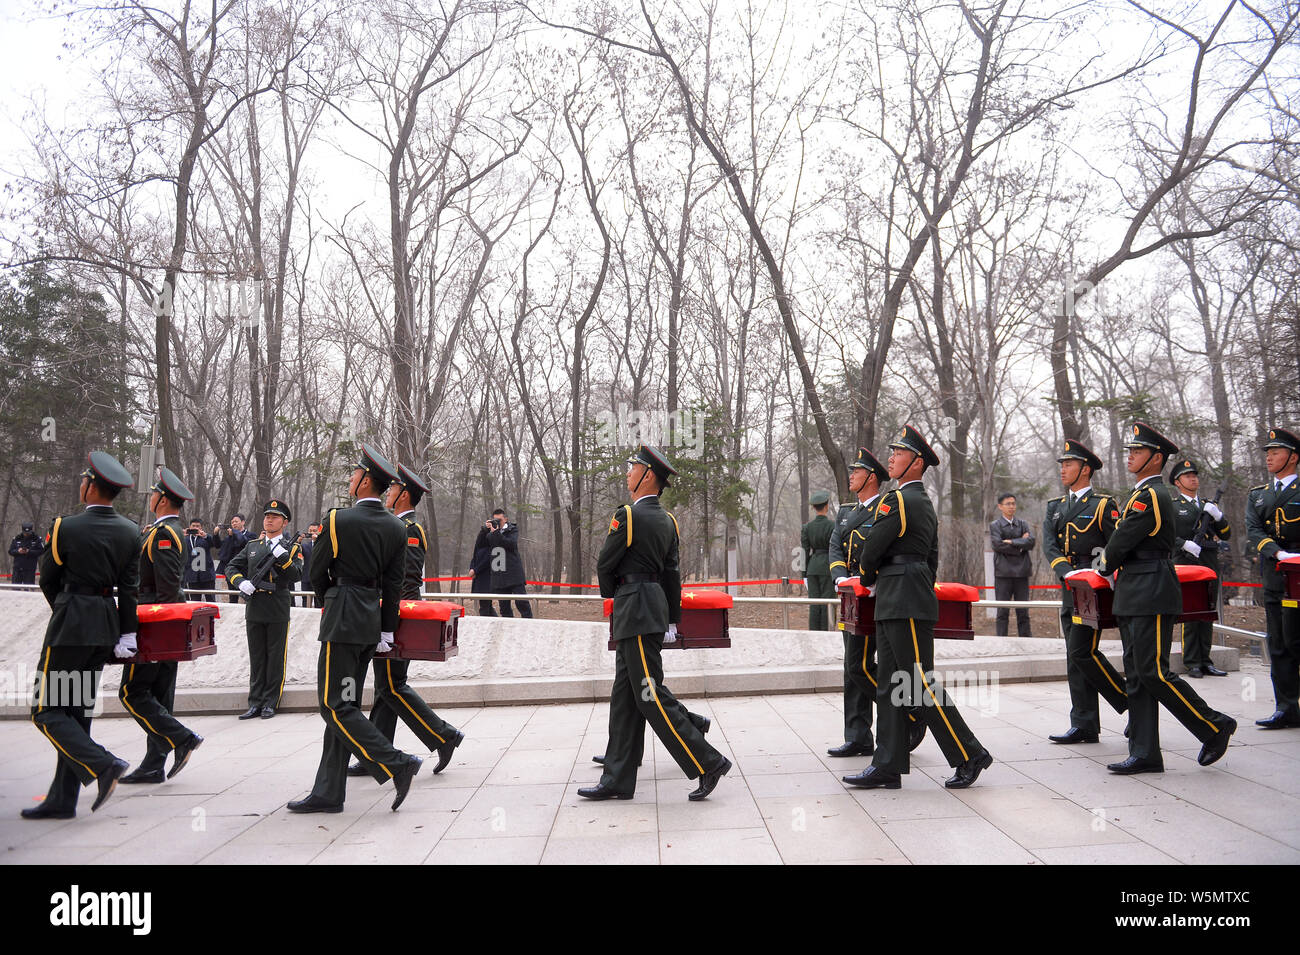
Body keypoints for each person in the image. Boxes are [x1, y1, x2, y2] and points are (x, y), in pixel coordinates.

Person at [842, 425, 993, 791]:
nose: (891, 457)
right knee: (894, 686)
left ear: (917, 462)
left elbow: (872, 548)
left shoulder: (898, 500)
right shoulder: (921, 503)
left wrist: (867, 575)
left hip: (901, 597)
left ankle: (970, 753)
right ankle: (888, 764)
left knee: (917, 682)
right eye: (892, 452)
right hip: (902, 596)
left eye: (898, 453)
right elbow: (932, 557)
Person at [578, 445, 731, 802]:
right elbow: (673, 575)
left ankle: (708, 761)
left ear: (648, 475)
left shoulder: (628, 516)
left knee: (650, 696)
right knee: (626, 696)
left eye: (632, 467)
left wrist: (614, 593)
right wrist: (673, 618)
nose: (628, 472)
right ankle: (617, 776)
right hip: (653, 611)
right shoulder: (669, 520)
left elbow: (605, 563)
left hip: (634, 610)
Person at [1092, 422, 1236, 774]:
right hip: (1136, 591)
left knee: (1154, 672)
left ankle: (1214, 725)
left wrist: (1104, 564)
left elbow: (1123, 539)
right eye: (1130, 451)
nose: (1130, 456)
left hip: (1151, 591)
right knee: (1139, 675)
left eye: (1137, 451)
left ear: (1156, 458)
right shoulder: (1143, 493)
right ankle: (1144, 751)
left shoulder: (1151, 495)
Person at [287, 444, 423, 813]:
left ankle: (397, 762)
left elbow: (317, 572)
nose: (350, 479)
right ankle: (329, 791)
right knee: (346, 705)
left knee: (334, 706)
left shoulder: (337, 520)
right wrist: (387, 630)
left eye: (354, 474)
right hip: (370, 625)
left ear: (366, 481)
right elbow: (394, 585)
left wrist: (328, 600)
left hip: (342, 620)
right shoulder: (397, 527)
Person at [22, 452, 137, 819]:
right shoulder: (131, 531)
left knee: (46, 710)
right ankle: (62, 798)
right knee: (77, 712)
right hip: (106, 625)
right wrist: (126, 633)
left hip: (72, 624)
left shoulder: (65, 527)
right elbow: (129, 590)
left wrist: (68, 610)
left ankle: (104, 763)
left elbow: (48, 580)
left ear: (90, 486)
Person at [347, 464, 463, 778]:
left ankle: (444, 735)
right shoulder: (397, 524)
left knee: (391, 686)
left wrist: (391, 618)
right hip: (392, 614)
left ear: (404, 495)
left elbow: (407, 581)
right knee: (387, 688)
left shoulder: (409, 528)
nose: (388, 493)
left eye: (393, 489)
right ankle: (377, 754)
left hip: (398, 617)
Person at [825, 448, 927, 759]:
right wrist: (841, 578)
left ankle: (907, 714)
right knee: (851, 666)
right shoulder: (845, 512)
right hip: (850, 596)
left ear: (871, 476)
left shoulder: (887, 506)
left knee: (862, 666)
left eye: (856, 472)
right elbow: (835, 548)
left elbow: (883, 550)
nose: (850, 476)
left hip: (876, 594)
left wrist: (866, 581)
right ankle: (857, 735)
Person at [117, 467, 205, 785]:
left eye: (154, 493)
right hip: (164, 622)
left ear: (163, 499)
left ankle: (182, 738)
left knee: (132, 691)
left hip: (157, 622)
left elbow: (166, 588)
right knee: (158, 693)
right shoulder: (166, 531)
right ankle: (154, 763)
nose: (151, 497)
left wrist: (158, 630)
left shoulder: (164, 534)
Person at [1041, 439, 1128, 744]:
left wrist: (1099, 572)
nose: (1062, 469)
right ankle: (1084, 722)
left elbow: (1116, 545)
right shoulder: (1056, 507)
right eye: (1062, 464)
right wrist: (1066, 571)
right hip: (1070, 585)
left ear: (1085, 469)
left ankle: (1128, 699)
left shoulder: (1103, 504)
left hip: (1094, 585)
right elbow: (1049, 545)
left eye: (1069, 464)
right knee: (1074, 655)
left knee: (1082, 651)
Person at [224, 499, 303, 720]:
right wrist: (241, 582)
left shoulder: (293, 548)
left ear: (284, 522)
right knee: (257, 657)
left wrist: (284, 558)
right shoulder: (252, 546)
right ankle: (255, 702)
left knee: (275, 657)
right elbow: (231, 567)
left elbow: (296, 575)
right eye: (267, 516)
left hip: (277, 607)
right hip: (255, 608)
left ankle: (270, 702)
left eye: (275, 517)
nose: (269, 519)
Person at [1246, 426, 1300, 729]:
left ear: (1292, 457)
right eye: (1267, 453)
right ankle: (1286, 706)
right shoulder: (1258, 495)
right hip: (1274, 572)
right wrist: (1277, 554)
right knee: (1277, 641)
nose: (1269, 458)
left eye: (1275, 452)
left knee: (1297, 639)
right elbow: (1254, 529)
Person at [1169, 458, 1230, 678]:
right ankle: (1192, 660)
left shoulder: (1207, 505)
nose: (1193, 478)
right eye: (1187, 476)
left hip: (1208, 561)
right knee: (1191, 612)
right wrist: (1184, 544)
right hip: (1185, 563)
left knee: (1208, 611)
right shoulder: (1173, 507)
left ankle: (1206, 660)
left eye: (1195, 475)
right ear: (1177, 482)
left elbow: (1227, 534)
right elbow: (1164, 535)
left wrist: (1218, 516)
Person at [989, 492, 1034, 638]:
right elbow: (997, 545)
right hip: (1003, 573)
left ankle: (1027, 641)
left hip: (1022, 573)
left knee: (1023, 612)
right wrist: (1021, 545)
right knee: (1002, 612)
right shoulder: (995, 525)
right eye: (1008, 504)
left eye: (1013, 503)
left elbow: (1031, 542)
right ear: (1000, 506)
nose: (1011, 506)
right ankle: (1001, 641)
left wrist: (1012, 542)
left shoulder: (1023, 524)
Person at [485, 508, 532, 617]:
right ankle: (507, 628)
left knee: (522, 603)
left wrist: (496, 532)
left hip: (514, 574)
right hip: (499, 574)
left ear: (505, 519)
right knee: (504, 607)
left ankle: (529, 624)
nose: (497, 523)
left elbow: (510, 544)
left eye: (499, 520)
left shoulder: (512, 529)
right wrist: (486, 529)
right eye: (495, 520)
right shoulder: (490, 533)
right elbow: (484, 543)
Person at [801, 491, 834, 631]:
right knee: (827, 603)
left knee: (814, 603)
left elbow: (804, 551)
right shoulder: (833, 526)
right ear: (826, 506)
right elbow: (836, 549)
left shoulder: (807, 527)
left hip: (812, 568)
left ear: (814, 507)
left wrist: (804, 574)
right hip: (828, 567)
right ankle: (825, 634)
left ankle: (813, 633)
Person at [215, 515, 249, 603]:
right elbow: (218, 546)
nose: (234, 524)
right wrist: (215, 534)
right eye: (232, 522)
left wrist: (234, 533)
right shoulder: (229, 537)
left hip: (245, 570)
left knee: (247, 596)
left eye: (236, 521)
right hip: (231, 570)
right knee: (232, 596)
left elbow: (242, 542)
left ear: (243, 522)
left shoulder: (250, 535)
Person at [182, 518, 216, 600]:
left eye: (198, 526)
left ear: (201, 528)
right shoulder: (185, 539)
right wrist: (180, 535)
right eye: (193, 526)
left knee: (210, 599)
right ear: (189, 527)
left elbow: (215, 544)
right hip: (192, 575)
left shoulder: (205, 537)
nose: (195, 528)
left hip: (207, 575)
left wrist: (206, 536)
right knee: (195, 601)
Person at [469, 521, 495, 615]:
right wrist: (472, 568)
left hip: (486, 579)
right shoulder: (479, 546)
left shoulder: (491, 546)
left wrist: (475, 570)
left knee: (485, 605)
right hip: (479, 578)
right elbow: (474, 557)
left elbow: (487, 561)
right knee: (486, 606)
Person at [299, 523, 317, 608]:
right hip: (306, 578)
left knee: (319, 602)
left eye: (314, 531)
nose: (312, 533)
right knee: (305, 602)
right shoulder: (305, 546)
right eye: (310, 531)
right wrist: (298, 541)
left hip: (319, 579)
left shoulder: (324, 544)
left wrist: (318, 541)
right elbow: (296, 554)